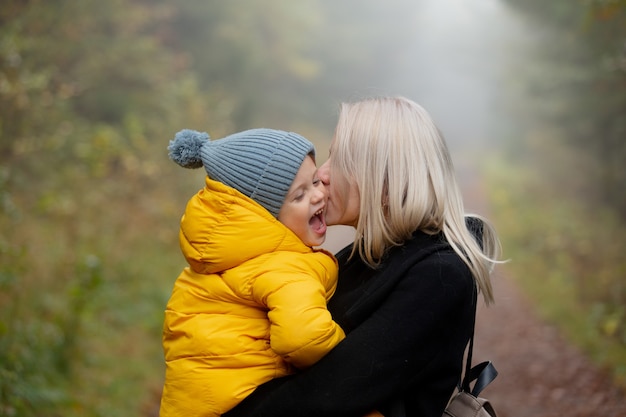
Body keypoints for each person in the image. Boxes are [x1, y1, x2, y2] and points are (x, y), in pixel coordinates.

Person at [223, 96, 503, 417]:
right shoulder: (365, 255)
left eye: (338, 160)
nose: (322, 175)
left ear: (385, 179)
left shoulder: (439, 275)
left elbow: (325, 394)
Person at [159, 128, 346, 417]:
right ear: (263, 215)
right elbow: (303, 338)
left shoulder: (221, 259)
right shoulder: (284, 266)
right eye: (300, 195)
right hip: (245, 403)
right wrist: (353, 347)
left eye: (314, 182)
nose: (319, 195)